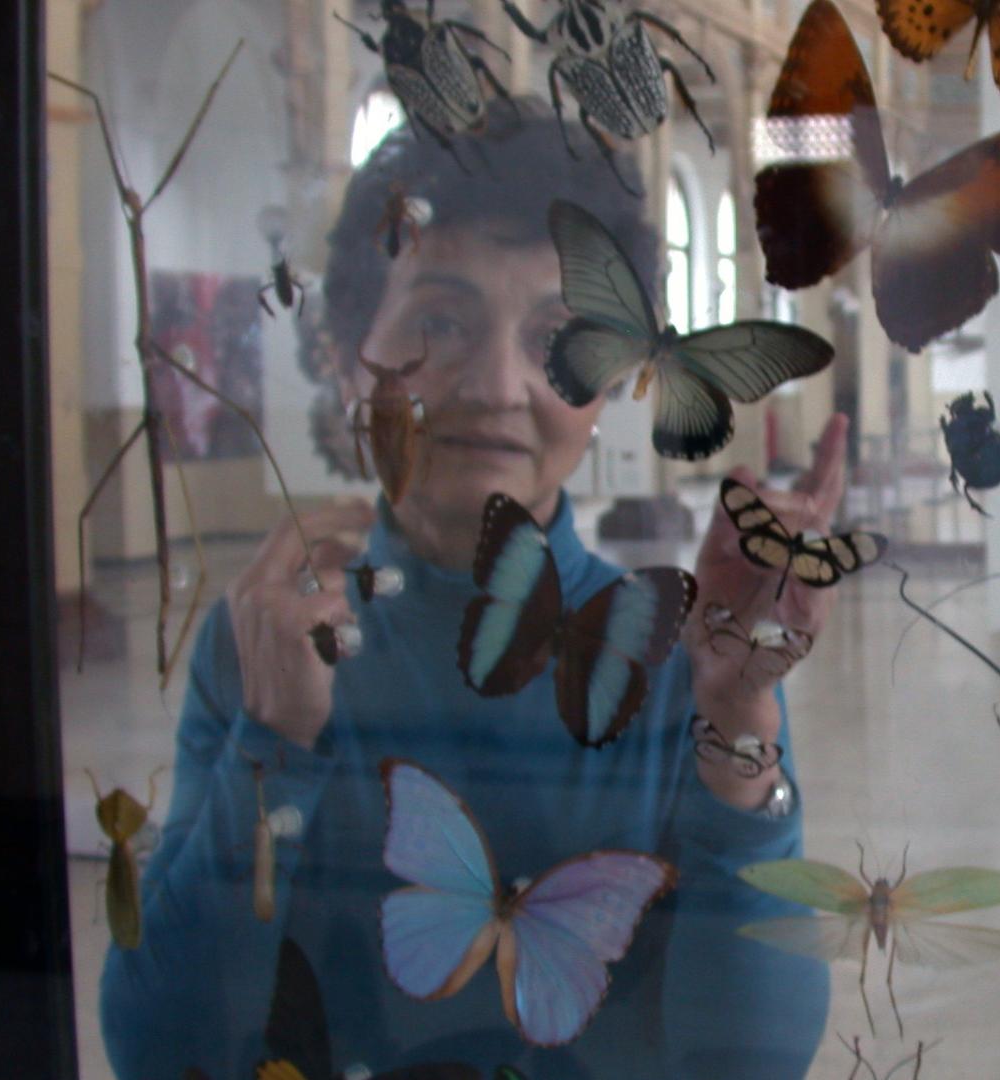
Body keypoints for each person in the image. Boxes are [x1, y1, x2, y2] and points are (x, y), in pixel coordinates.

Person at [100, 98, 834, 1079]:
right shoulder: (267, 646)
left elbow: (752, 1063)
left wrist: (740, 722)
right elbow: (155, 1045)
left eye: (555, 339)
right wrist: (270, 744)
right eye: (440, 321)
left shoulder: (665, 657)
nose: (495, 385)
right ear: (341, 350)